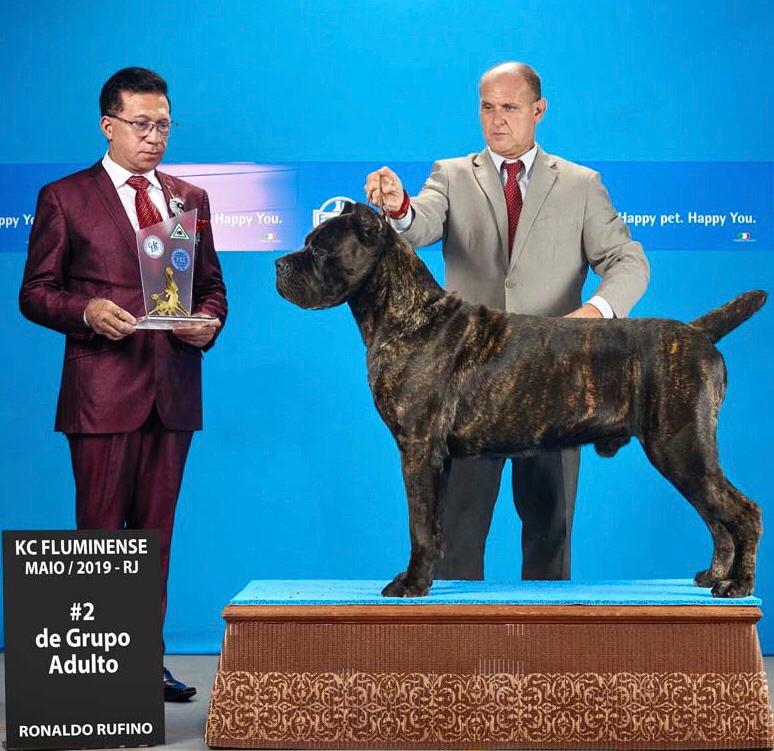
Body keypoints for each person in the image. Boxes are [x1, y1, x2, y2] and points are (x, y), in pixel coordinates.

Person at [365, 61, 649, 583]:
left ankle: (546, 634)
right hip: (468, 384)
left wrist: (595, 315)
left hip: (555, 379)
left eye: (510, 108)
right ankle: (452, 635)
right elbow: (418, 223)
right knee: (456, 535)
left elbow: (628, 261)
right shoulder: (451, 174)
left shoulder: (582, 184)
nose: (497, 119)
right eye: (487, 107)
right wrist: (399, 206)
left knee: (549, 532)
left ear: (539, 111)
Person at [19, 67, 227, 701]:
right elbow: (35, 292)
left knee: (155, 539)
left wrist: (207, 324)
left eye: (164, 125)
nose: (154, 136)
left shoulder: (189, 198)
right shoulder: (64, 197)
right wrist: (84, 311)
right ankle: (101, 680)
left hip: (173, 391)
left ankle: (145, 665)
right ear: (108, 126)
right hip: (102, 394)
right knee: (102, 537)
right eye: (142, 124)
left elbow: (212, 289)